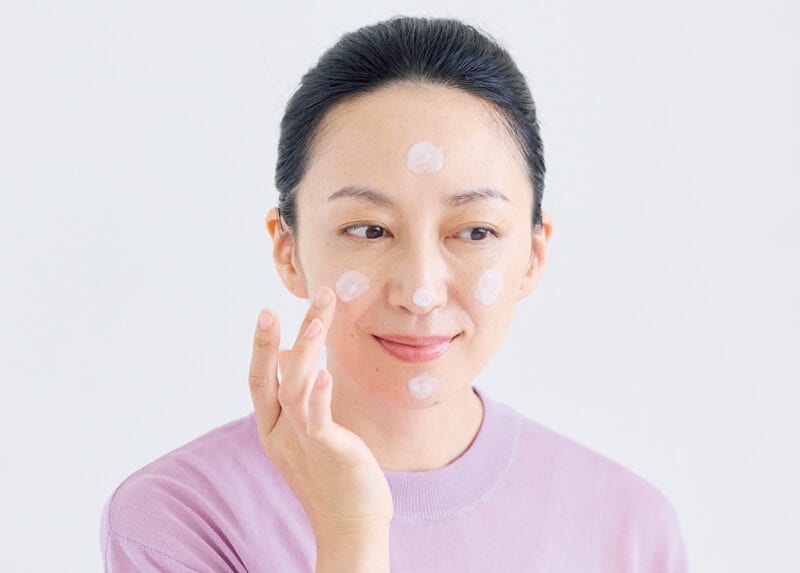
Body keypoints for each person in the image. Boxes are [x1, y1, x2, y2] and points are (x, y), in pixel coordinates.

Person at [99, 15, 688, 572]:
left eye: (475, 232)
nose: (421, 292)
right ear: (288, 250)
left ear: (533, 256)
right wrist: (349, 530)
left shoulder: (630, 529)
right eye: (368, 230)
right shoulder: (179, 517)